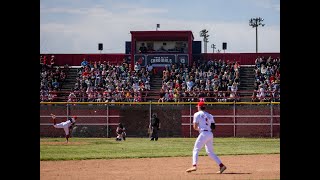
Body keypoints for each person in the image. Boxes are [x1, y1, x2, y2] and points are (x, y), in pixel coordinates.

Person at [186, 101, 227, 174]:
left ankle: (194, 165)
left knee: (196, 149)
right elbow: (213, 127)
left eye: (197, 107)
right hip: (210, 134)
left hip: (203, 133)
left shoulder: (197, 114)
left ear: (199, 107)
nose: (197, 108)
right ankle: (221, 165)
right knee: (210, 152)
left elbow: (194, 127)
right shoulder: (210, 115)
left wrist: (200, 128)